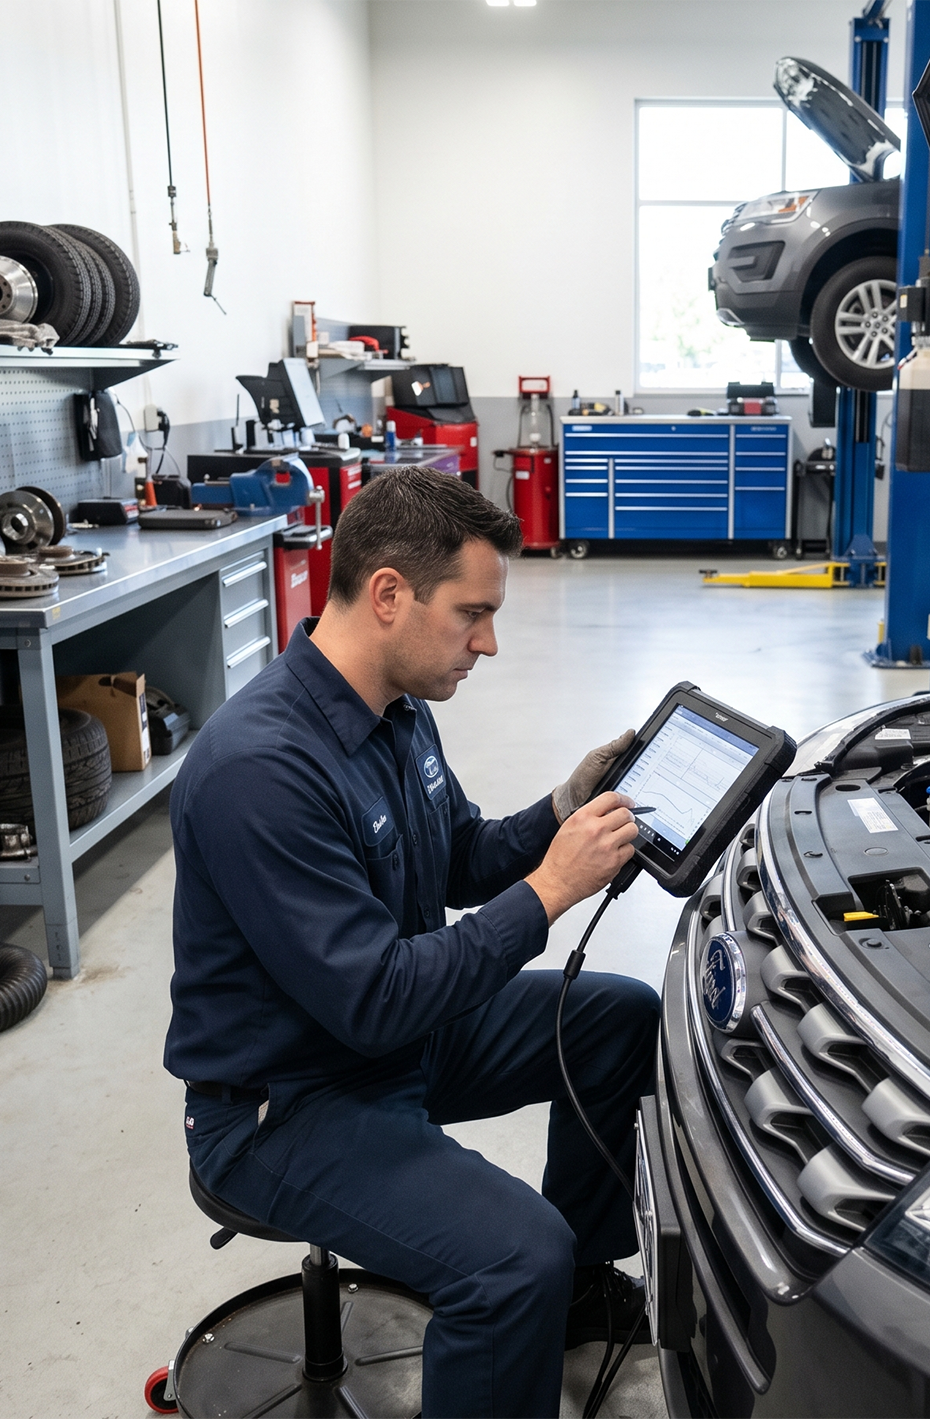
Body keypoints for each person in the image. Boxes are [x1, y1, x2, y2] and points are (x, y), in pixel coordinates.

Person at [165, 467, 659, 1417]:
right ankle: (533, 1295)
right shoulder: (259, 768)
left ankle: (575, 1298)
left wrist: (563, 808)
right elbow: (377, 997)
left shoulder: (396, 707)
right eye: (473, 613)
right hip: (288, 1099)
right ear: (389, 593)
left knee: (617, 1019)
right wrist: (552, 888)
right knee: (516, 1256)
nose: (489, 642)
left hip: (396, 1042)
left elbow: (458, 854)